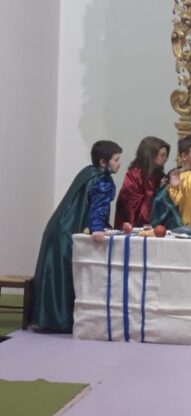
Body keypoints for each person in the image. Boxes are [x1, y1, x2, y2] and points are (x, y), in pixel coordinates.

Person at [32, 140, 123, 333]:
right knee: (67, 275)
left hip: (57, 228)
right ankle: (62, 322)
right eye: (116, 160)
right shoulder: (102, 180)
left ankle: (48, 320)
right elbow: (97, 207)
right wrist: (97, 228)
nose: (119, 163)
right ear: (103, 162)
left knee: (54, 274)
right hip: (68, 232)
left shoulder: (87, 172)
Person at [115, 136, 170, 229]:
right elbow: (130, 204)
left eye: (166, 155)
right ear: (150, 155)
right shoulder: (134, 175)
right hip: (134, 225)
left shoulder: (160, 175)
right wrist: (157, 192)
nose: (165, 159)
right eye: (162, 155)